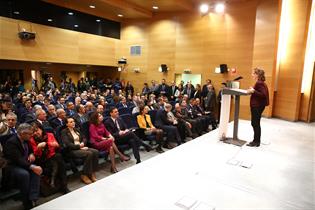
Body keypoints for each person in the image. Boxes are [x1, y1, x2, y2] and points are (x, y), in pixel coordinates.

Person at [3, 123, 42, 210]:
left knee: (37, 170)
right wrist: (32, 167)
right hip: (13, 166)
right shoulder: (11, 142)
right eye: (30, 134)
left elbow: (30, 150)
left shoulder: (26, 139)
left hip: (23, 163)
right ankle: (26, 201)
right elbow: (18, 160)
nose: (31, 136)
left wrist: (31, 154)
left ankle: (33, 198)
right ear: (22, 133)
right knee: (25, 174)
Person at [29, 123, 70, 194]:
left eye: (37, 130)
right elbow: (37, 154)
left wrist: (47, 144)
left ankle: (60, 184)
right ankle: (63, 186)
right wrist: (39, 148)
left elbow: (56, 146)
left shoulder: (49, 135)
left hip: (53, 156)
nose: (35, 133)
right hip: (42, 160)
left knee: (57, 157)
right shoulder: (31, 140)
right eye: (33, 132)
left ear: (41, 129)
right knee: (58, 159)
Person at [61, 117, 99, 184]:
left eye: (73, 121)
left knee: (95, 152)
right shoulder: (64, 132)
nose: (73, 123)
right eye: (71, 122)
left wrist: (83, 143)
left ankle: (92, 172)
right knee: (89, 153)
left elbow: (84, 138)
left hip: (81, 147)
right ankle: (84, 175)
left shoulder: (76, 129)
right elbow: (67, 144)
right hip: (72, 150)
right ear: (67, 124)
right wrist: (79, 146)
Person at [246, 68, 269, 147]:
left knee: (255, 123)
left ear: (257, 75)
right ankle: (256, 141)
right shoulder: (260, 83)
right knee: (255, 123)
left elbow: (263, 95)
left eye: (253, 73)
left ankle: (256, 142)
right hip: (258, 106)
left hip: (257, 106)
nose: (252, 75)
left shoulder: (259, 83)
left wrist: (253, 91)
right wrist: (253, 90)